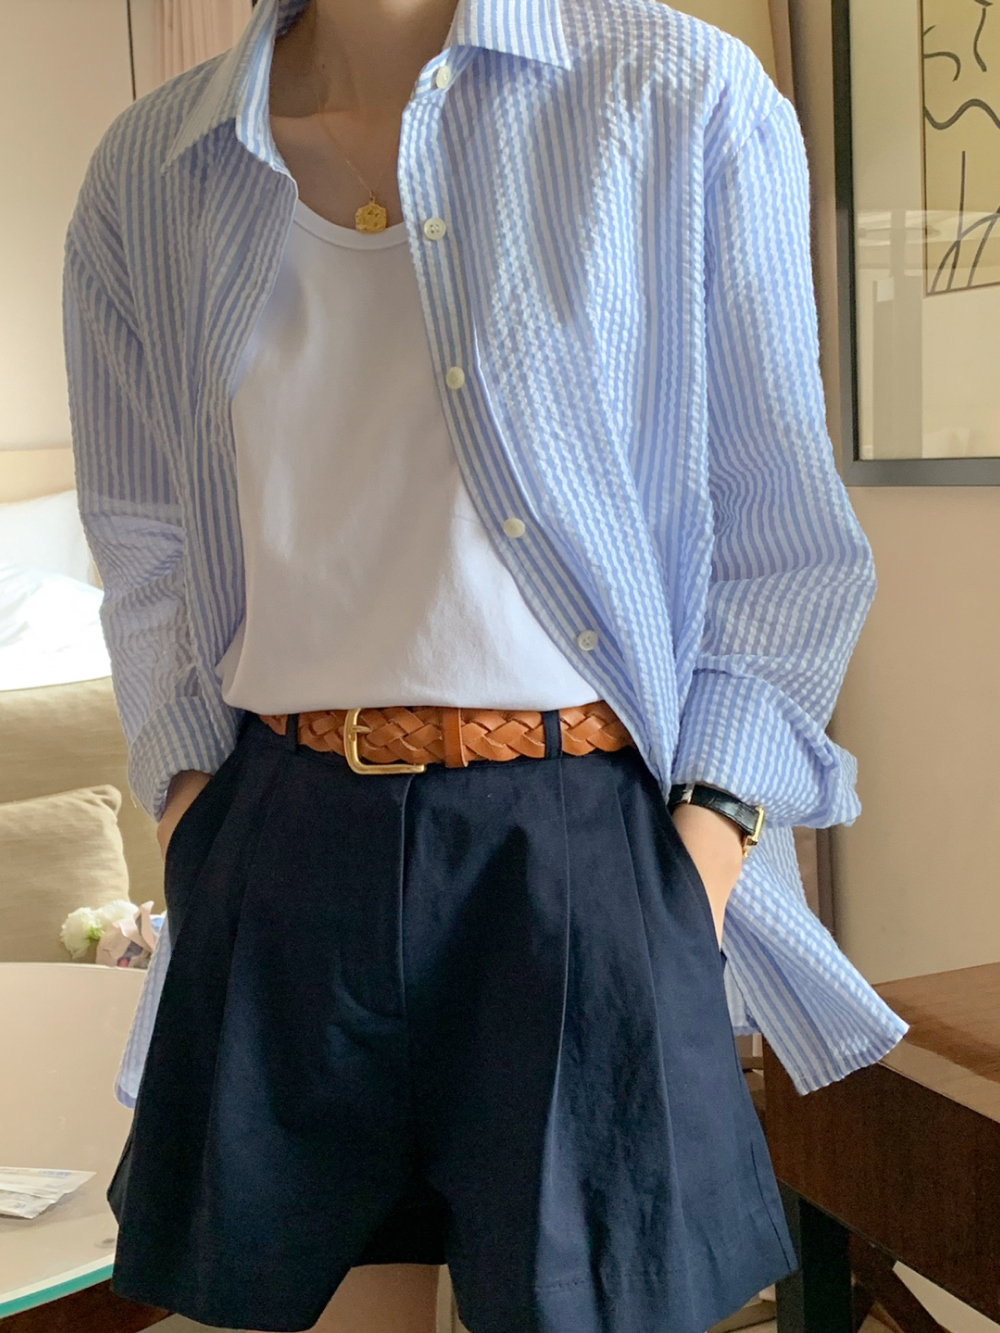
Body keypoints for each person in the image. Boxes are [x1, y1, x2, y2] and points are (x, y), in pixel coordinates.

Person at [62, 0, 908, 1328]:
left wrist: (699, 853)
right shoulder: (153, 167)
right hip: (282, 840)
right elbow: (146, 537)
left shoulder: (676, 96)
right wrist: (190, 818)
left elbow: (781, 541)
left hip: (582, 841)